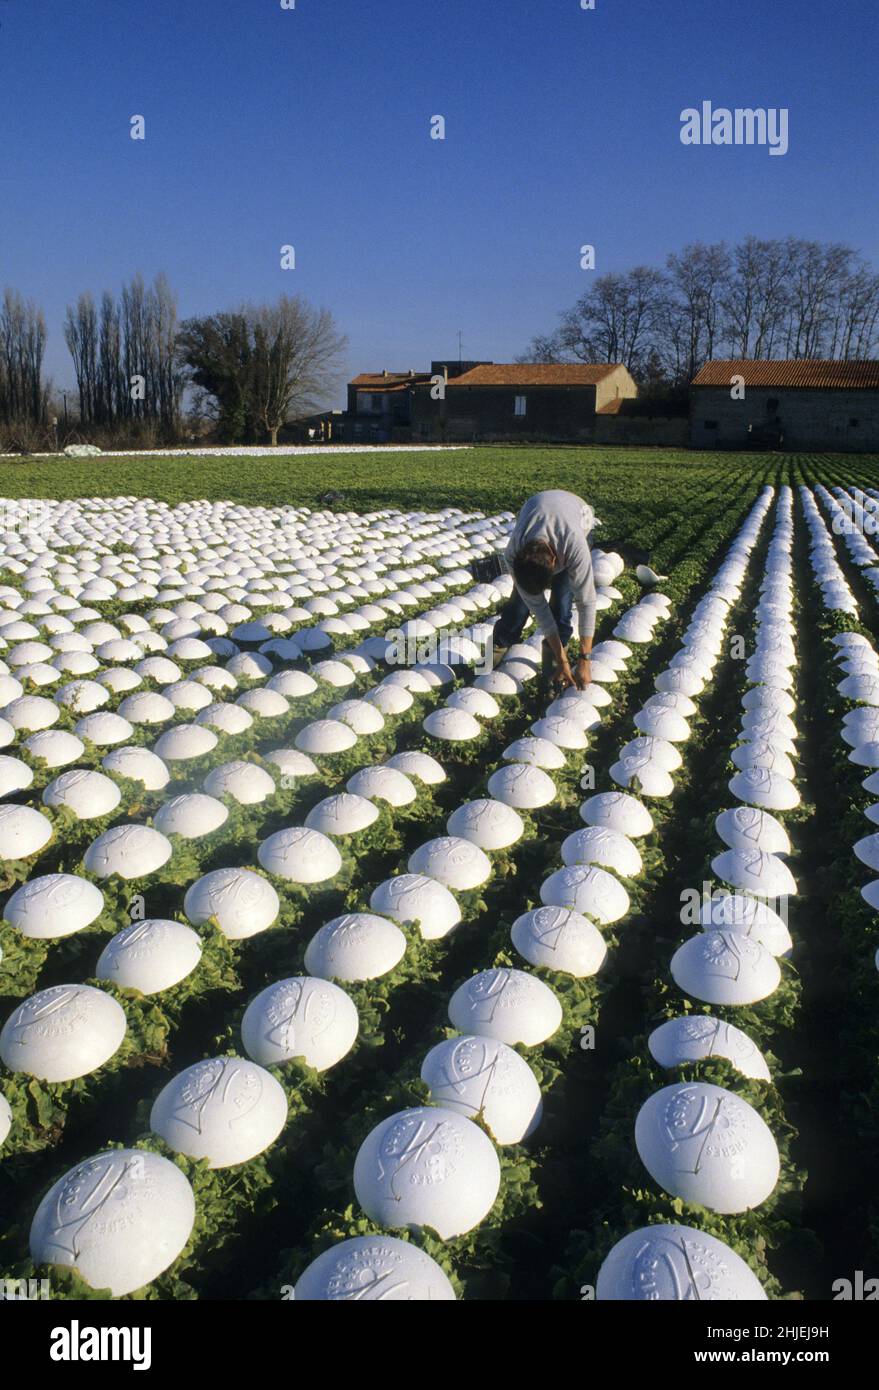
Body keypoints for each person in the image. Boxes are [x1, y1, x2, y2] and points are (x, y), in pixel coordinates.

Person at [493, 489, 597, 689]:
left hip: (579, 515)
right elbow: (540, 611)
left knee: (561, 605)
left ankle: (553, 677)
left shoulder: (574, 546)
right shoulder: (513, 554)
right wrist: (565, 659)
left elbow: (586, 602)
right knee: (517, 608)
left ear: (556, 563)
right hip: (538, 508)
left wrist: (585, 659)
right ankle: (493, 656)